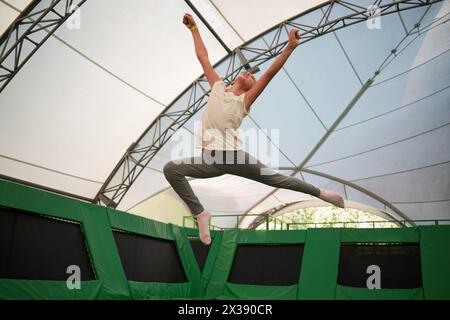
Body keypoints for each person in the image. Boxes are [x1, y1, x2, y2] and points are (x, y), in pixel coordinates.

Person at [163, 13, 345, 245]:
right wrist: (194, 28)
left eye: (251, 77)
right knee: (171, 169)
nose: (249, 73)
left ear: (250, 87)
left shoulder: (244, 101)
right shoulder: (218, 87)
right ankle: (201, 213)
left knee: (276, 179)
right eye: (247, 72)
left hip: (234, 157)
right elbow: (203, 57)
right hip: (208, 159)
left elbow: (269, 73)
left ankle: (321, 193)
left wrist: (289, 47)